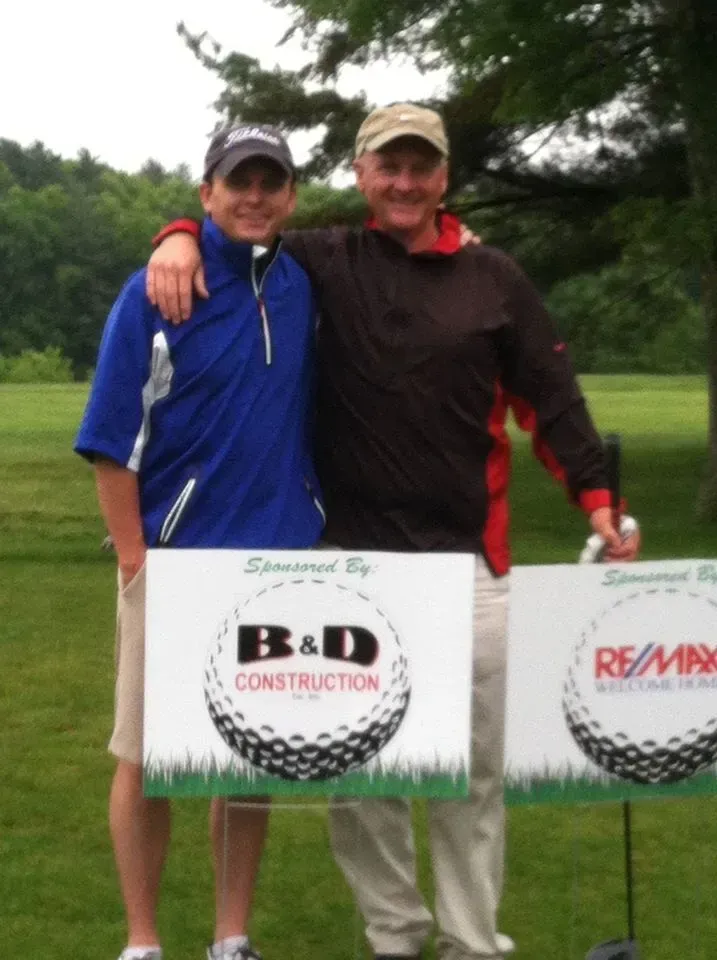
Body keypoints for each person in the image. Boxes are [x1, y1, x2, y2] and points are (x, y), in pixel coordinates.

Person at [146, 104, 640, 960]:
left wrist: (593, 495)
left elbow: (550, 399)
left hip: (469, 567)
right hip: (351, 567)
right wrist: (177, 232)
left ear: (442, 178)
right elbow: (234, 231)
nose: (404, 182)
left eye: (421, 167)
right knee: (361, 771)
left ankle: (470, 941)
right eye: (388, 166)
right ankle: (395, 939)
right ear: (363, 174)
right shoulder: (322, 261)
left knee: (470, 781)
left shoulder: (494, 279)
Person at [75, 124, 326, 960]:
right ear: (206, 193)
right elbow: (114, 437)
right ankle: (143, 940)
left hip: (274, 563)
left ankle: (230, 936)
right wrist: (135, 558)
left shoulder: (303, 283)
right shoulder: (155, 290)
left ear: (290, 195)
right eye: (237, 181)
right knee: (146, 757)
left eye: (270, 181)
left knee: (246, 758)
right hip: (173, 563)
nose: (254, 196)